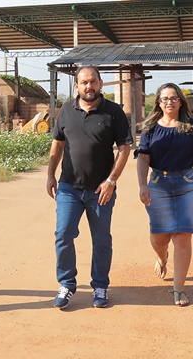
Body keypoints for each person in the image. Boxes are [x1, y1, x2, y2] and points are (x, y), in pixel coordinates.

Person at [46, 66, 132, 309]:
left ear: (101, 84)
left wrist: (111, 180)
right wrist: (51, 175)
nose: (89, 86)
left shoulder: (113, 112)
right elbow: (57, 145)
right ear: (76, 86)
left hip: (100, 191)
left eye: (93, 81)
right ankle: (67, 284)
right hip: (68, 188)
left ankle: (100, 286)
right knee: (63, 235)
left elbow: (124, 149)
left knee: (101, 239)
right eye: (84, 82)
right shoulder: (65, 110)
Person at [135, 83, 193, 307]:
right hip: (158, 185)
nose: (169, 102)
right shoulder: (150, 128)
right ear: (159, 103)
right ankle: (162, 258)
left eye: (173, 98)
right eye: (164, 99)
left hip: (188, 184)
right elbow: (143, 157)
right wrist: (143, 185)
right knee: (160, 237)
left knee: (182, 235)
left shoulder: (191, 126)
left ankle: (179, 289)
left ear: (180, 101)